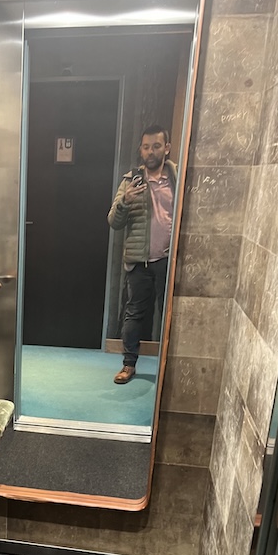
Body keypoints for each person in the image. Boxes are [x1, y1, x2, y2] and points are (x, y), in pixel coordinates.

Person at [107, 125, 177, 384]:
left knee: (170, 315)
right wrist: (125, 201)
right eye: (146, 147)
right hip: (139, 261)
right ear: (141, 149)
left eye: (156, 146)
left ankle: (170, 368)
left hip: (169, 260)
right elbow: (114, 221)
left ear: (166, 148)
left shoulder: (178, 179)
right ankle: (128, 365)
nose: (150, 152)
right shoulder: (130, 181)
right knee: (134, 314)